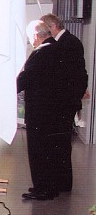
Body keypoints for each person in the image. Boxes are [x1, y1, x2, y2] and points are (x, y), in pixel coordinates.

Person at [42, 13, 89, 193]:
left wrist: (74, 95)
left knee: (61, 143)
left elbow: (75, 74)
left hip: (64, 102)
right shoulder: (66, 42)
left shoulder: (69, 43)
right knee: (59, 142)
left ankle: (62, 182)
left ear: (52, 27)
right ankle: (59, 181)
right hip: (63, 100)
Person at [17, 22, 63, 199]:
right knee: (50, 149)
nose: (31, 41)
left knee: (39, 149)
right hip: (52, 109)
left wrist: (6, 90)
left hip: (40, 110)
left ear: (36, 36)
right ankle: (50, 186)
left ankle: (43, 188)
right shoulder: (57, 49)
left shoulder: (42, 53)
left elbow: (27, 77)